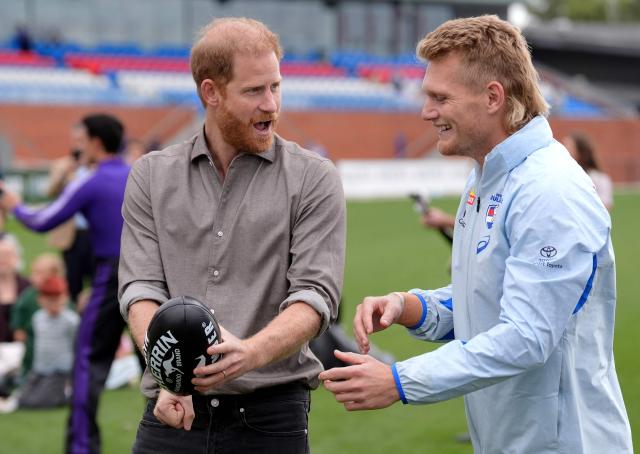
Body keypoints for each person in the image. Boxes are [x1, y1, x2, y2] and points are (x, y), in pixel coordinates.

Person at [319, 15, 633, 453]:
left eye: (440, 97)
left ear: (492, 97)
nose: (426, 111)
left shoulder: (550, 189)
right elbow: (486, 299)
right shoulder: (485, 178)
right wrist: (410, 306)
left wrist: (400, 381)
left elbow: (525, 337)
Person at [118, 17, 345, 454]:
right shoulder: (150, 176)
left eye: (276, 87)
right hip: (170, 411)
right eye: (254, 91)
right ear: (211, 92)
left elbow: (316, 296)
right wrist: (171, 374)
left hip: (270, 417)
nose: (271, 105)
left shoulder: (314, 179)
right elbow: (140, 288)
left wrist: (252, 353)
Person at [0, 113, 131, 454]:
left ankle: (82, 447)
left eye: (82, 140)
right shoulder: (136, 174)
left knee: (87, 361)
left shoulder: (91, 180)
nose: (78, 146)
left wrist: (14, 206)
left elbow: (44, 220)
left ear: (96, 142)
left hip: (109, 275)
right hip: (146, 274)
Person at [46, 124, 95, 305]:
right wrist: (63, 174)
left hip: (94, 232)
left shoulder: (97, 167)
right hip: (70, 234)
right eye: (77, 140)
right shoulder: (62, 165)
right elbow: (50, 192)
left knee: (98, 279)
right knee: (73, 278)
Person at [17, 275, 79, 409]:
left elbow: (77, 344)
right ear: (41, 300)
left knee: (40, 402)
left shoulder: (70, 321)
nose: (54, 304)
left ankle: (66, 394)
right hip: (40, 368)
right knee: (23, 400)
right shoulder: (37, 318)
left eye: (58, 300)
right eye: (50, 300)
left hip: (60, 370)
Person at [11, 252, 66, 379]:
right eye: (34, 273)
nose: (34, 277)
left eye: (40, 274)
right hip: (32, 343)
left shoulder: (62, 297)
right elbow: (19, 327)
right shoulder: (28, 296)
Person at [0, 233, 30, 397]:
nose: (3, 260)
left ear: (16, 258)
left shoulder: (27, 287)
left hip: (21, 351)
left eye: (7, 255)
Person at [562, 132, 614, 210]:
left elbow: (606, 206)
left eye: (568, 147)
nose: (563, 150)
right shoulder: (561, 175)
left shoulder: (598, 178)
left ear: (581, 152)